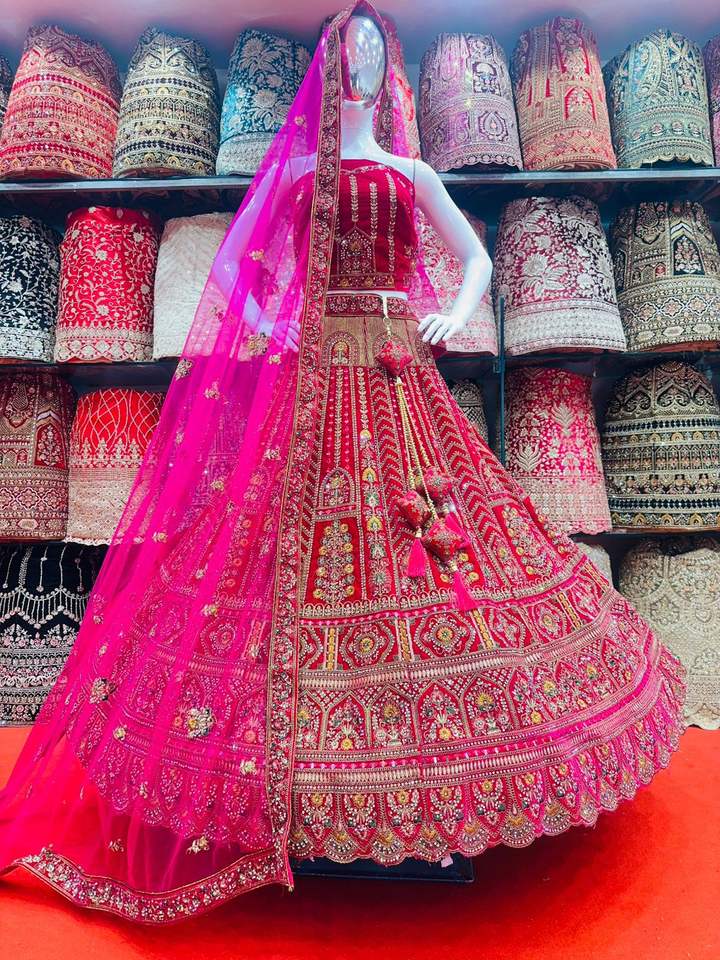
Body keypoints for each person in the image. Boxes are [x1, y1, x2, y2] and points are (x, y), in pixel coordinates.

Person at [0, 3, 685, 923]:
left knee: (435, 533)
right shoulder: (294, 176)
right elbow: (238, 274)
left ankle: (435, 765)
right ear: (329, 66)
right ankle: (302, 781)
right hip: (316, 373)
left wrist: (452, 314)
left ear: (385, 66)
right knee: (281, 544)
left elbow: (475, 260)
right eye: (348, 49)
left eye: (373, 50)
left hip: (398, 367)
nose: (360, 63)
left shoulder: (409, 171)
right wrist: (274, 325)